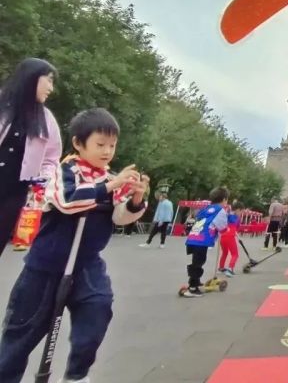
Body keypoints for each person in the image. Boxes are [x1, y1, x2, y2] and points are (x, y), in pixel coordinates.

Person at [0, 107, 146, 383]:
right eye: (100, 144)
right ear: (79, 143)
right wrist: (109, 186)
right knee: (21, 332)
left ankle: (77, 375)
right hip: (46, 264)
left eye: (112, 145)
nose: (107, 152)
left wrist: (136, 201)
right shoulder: (62, 171)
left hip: (87, 263)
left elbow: (120, 216)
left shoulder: (108, 178)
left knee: (98, 308)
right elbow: (67, 201)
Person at [0, 58, 62, 257]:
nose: (51, 88)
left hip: (13, 193)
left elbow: (51, 158)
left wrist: (43, 181)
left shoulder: (46, 119)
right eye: (49, 80)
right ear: (32, 77)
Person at [183, 187, 229, 297]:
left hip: (193, 238)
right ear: (224, 199)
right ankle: (192, 287)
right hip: (202, 240)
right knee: (198, 263)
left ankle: (196, 281)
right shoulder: (220, 210)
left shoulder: (205, 208)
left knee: (196, 261)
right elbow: (222, 228)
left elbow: (198, 219)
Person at [140, 184, 172, 248]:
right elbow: (171, 212)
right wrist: (170, 218)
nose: (159, 198)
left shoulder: (162, 203)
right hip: (167, 220)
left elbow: (161, 212)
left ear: (163, 197)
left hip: (161, 220)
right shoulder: (170, 203)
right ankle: (162, 244)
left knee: (153, 231)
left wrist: (159, 220)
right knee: (163, 232)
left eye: (160, 197)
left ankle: (148, 242)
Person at [219, 200, 244, 277]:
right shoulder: (237, 218)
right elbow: (237, 228)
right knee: (235, 254)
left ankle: (221, 267)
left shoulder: (226, 215)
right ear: (238, 210)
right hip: (230, 237)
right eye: (241, 211)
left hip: (222, 236)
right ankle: (230, 269)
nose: (241, 213)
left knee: (225, 252)